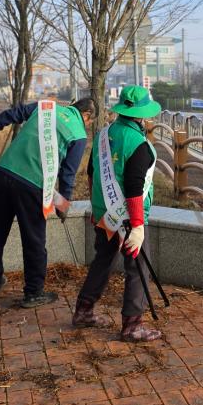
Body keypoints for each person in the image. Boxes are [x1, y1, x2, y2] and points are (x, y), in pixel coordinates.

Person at [0, 98, 95, 307]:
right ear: (87, 116)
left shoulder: (46, 107)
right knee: (34, 240)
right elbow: (68, 173)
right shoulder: (79, 134)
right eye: (89, 123)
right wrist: (64, 202)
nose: (87, 126)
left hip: (4, 172)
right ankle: (34, 292)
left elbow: (12, 114)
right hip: (32, 185)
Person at [73, 85, 163, 342]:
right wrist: (137, 226)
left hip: (105, 214)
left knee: (103, 259)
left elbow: (92, 174)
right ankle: (133, 325)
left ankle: (84, 310)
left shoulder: (103, 134)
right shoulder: (139, 144)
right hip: (128, 218)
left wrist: (96, 209)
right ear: (142, 115)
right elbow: (135, 188)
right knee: (137, 267)